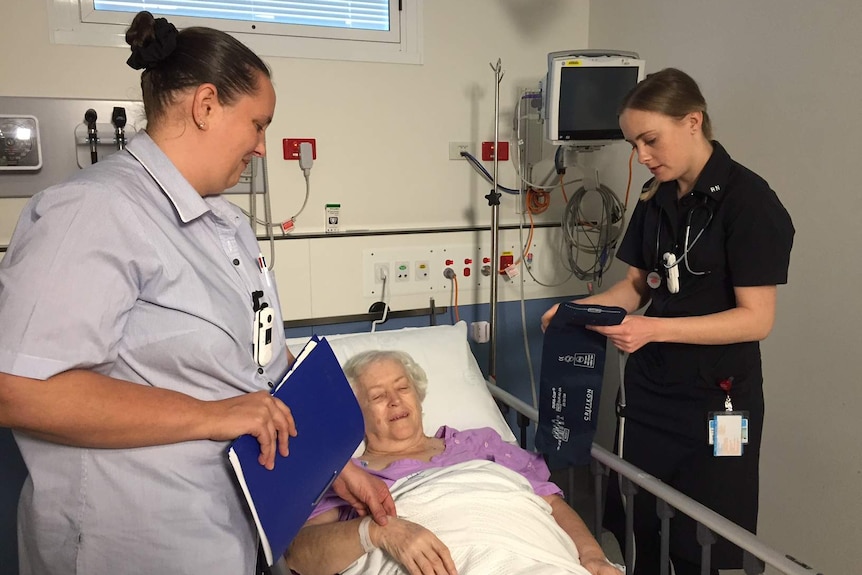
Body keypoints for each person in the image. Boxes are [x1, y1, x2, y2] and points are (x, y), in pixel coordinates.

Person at [0, 11, 393, 575]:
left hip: (228, 533)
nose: (262, 147)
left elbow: (256, 371)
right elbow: (19, 390)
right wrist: (212, 415)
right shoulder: (93, 212)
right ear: (205, 105)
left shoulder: (226, 225)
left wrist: (331, 465)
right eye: (258, 124)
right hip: (131, 544)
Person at [541, 68, 794, 575]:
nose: (641, 157)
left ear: (693, 122)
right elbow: (636, 287)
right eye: (635, 143)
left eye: (650, 140)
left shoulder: (749, 203)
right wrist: (579, 311)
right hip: (653, 395)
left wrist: (654, 329)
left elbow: (756, 320)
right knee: (645, 523)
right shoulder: (656, 201)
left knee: (710, 537)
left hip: (721, 403)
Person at [286, 350, 623, 575]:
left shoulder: (481, 443)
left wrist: (593, 556)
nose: (394, 401)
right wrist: (377, 532)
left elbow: (550, 504)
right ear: (353, 413)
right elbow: (299, 554)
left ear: (417, 396)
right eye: (376, 396)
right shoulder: (349, 476)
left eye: (402, 388)